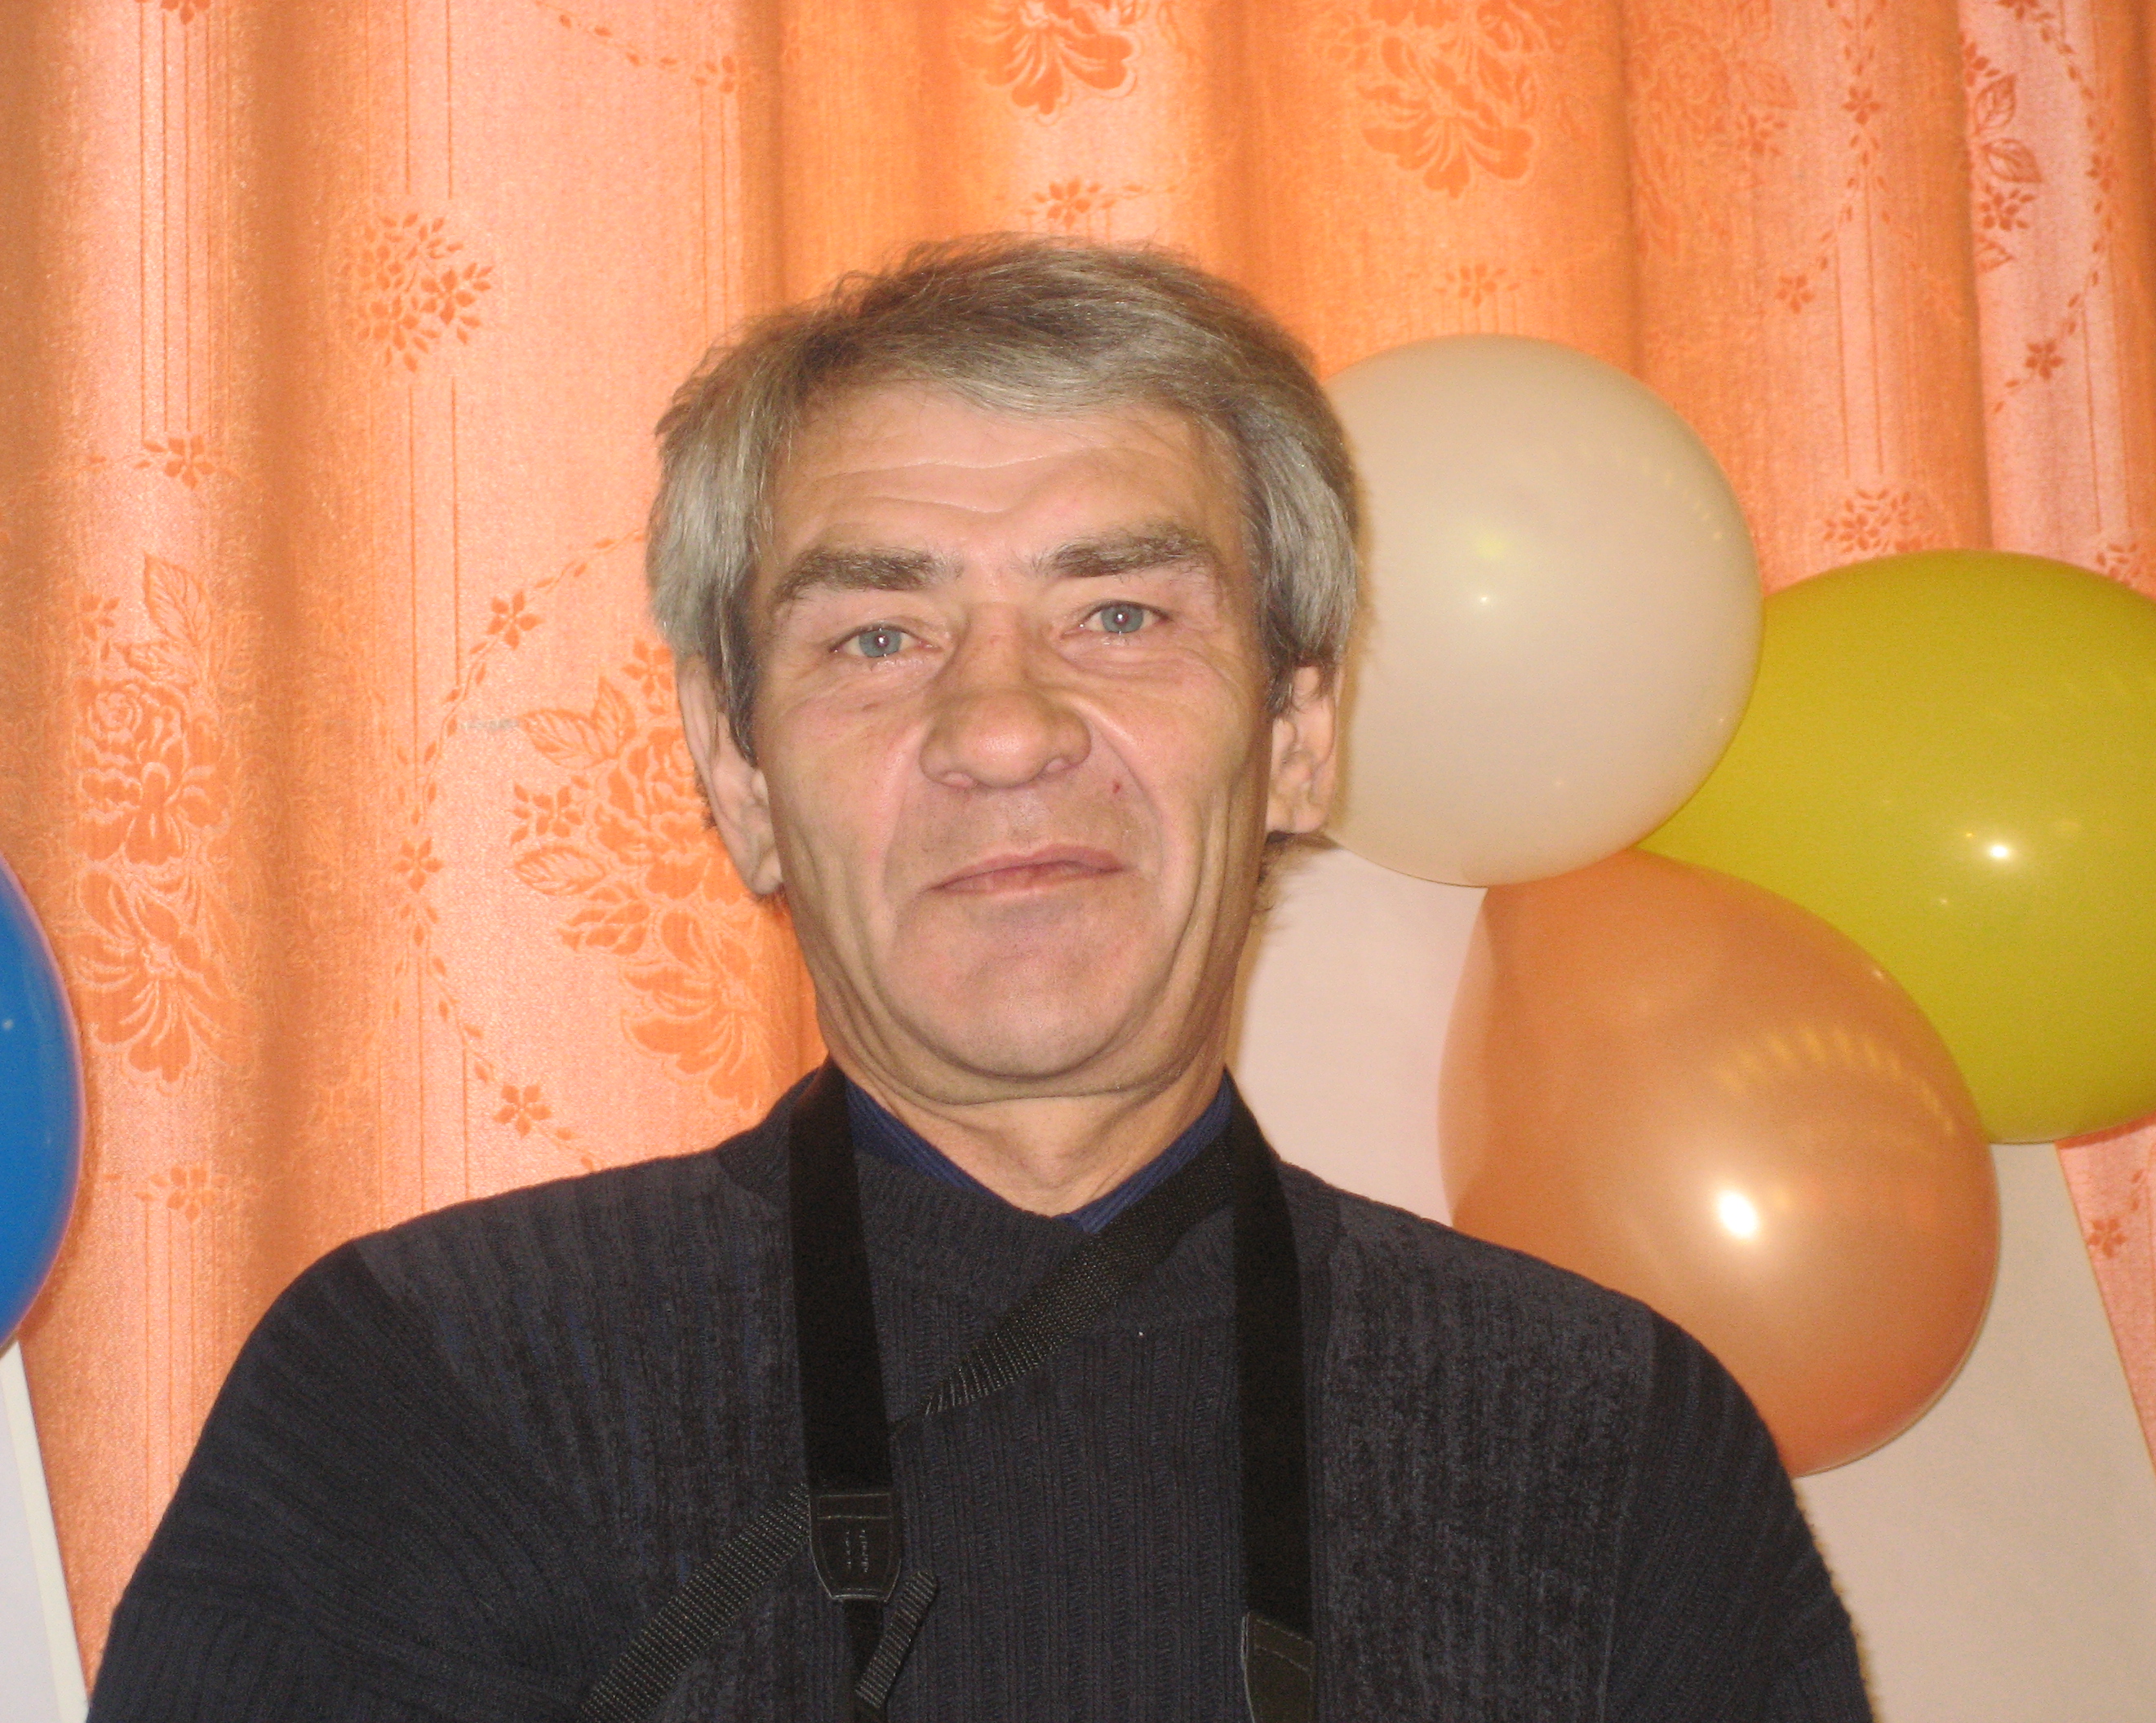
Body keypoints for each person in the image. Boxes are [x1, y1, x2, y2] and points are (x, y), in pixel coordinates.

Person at [88, 236, 1870, 1721]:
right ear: (736, 772)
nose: (1004, 728)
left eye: (1121, 615)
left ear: (1298, 733)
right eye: (879, 635)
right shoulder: (437, 1388)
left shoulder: (1608, 1440)